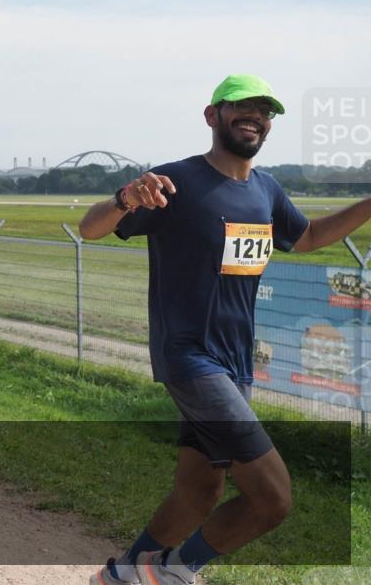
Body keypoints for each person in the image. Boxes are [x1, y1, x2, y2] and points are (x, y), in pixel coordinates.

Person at [81, 75, 371, 585]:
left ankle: (123, 575)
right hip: (190, 358)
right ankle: (173, 571)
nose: (254, 116)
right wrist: (126, 197)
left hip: (236, 363)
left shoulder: (266, 189)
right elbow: (91, 227)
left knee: (200, 490)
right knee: (273, 497)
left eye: (264, 110)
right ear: (212, 115)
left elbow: (306, 238)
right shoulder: (176, 181)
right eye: (241, 106)